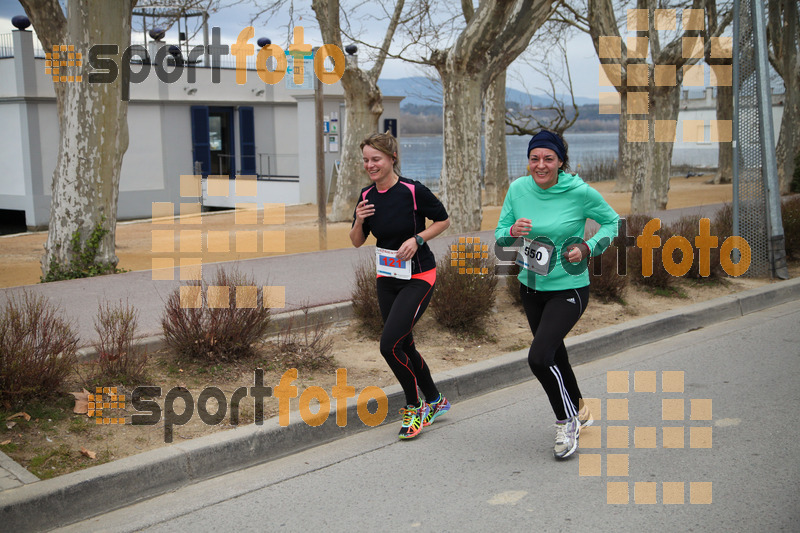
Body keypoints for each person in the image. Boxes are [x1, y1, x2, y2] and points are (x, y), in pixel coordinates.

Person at [495, 130, 619, 459]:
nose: (540, 165)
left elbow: (612, 223)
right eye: (534, 158)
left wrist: (588, 247)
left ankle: (566, 422)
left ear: (560, 161)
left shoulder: (578, 191)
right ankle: (581, 407)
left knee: (539, 358)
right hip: (530, 288)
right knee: (555, 355)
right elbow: (500, 238)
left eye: (548, 158)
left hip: (569, 288)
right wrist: (511, 232)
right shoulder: (518, 189)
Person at [350, 132, 452, 439]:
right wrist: (358, 220)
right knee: (404, 343)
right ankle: (435, 400)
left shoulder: (412, 190)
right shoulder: (367, 197)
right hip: (387, 278)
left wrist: (418, 238)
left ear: (392, 159)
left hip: (419, 276)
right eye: (366, 159)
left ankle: (415, 407)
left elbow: (443, 219)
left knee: (389, 345)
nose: (370, 165)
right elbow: (357, 242)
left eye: (376, 159)